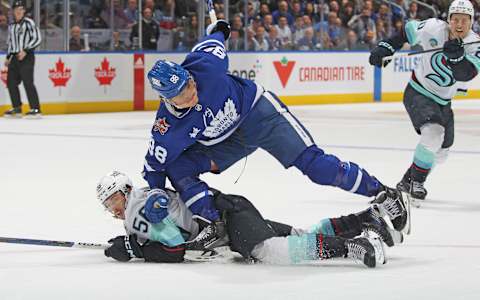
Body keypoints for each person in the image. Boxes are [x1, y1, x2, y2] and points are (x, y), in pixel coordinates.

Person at [142, 19, 409, 236]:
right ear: (166, 99)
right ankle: (214, 224)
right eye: (181, 94)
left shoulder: (206, 66)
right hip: (228, 143)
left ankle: (384, 194)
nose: (192, 92)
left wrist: (219, 29)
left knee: (316, 167)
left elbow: (216, 37)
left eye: (189, 83)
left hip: (261, 114)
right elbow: (155, 164)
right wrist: (155, 193)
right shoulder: (167, 128)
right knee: (179, 168)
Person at [97, 171, 403, 267]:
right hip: (229, 211)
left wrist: (136, 250)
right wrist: (135, 245)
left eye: (114, 199)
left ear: (126, 190)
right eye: (108, 204)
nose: (114, 208)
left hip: (227, 221)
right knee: (299, 234)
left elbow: (175, 248)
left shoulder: (136, 210)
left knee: (272, 251)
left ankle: (355, 246)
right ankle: (365, 219)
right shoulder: (143, 198)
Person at [369, 0, 480, 202]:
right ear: (448, 20)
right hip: (418, 92)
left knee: (441, 153)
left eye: (465, 20)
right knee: (433, 133)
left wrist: (457, 58)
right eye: (455, 19)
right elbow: (405, 32)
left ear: (471, 21)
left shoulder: (475, 44)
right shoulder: (432, 27)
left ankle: (407, 181)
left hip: (444, 102)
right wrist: (385, 47)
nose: (459, 24)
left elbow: (467, 73)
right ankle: (417, 183)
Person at [4, 1, 42, 118]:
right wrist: (8, 56)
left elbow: (37, 38)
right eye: (16, 9)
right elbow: (11, 42)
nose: (19, 11)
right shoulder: (12, 25)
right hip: (14, 58)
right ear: (13, 11)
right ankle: (17, 107)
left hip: (27, 57)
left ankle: (35, 109)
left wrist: (25, 50)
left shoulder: (29, 22)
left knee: (28, 82)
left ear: (24, 11)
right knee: (11, 83)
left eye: (21, 9)